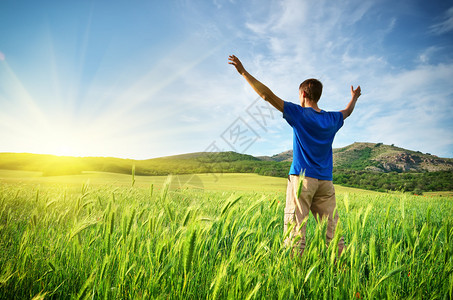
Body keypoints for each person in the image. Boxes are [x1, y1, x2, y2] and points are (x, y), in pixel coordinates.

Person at [228, 55, 361, 256]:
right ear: (318, 95)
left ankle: (294, 278)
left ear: (303, 94)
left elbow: (266, 96)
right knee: (333, 233)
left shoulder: (298, 113)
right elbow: (347, 112)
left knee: (296, 231)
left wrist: (244, 72)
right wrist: (354, 97)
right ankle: (342, 273)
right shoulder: (332, 118)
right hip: (326, 182)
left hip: (302, 180)